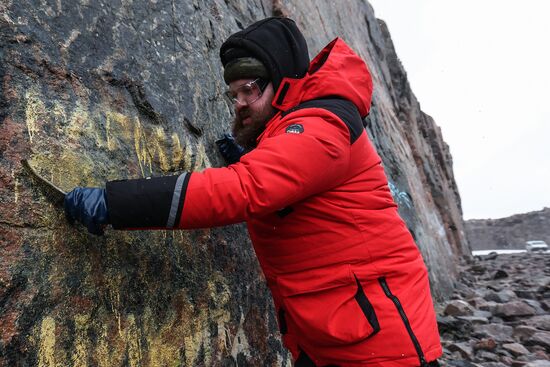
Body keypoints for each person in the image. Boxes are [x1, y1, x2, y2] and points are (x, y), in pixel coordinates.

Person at [64, 17, 442, 367]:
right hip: (337, 331)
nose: (240, 102)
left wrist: (114, 204)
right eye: (234, 94)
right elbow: (283, 184)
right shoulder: (294, 128)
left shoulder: (324, 126)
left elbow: (246, 188)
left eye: (250, 89)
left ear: (284, 81)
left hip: (383, 342)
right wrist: (253, 153)